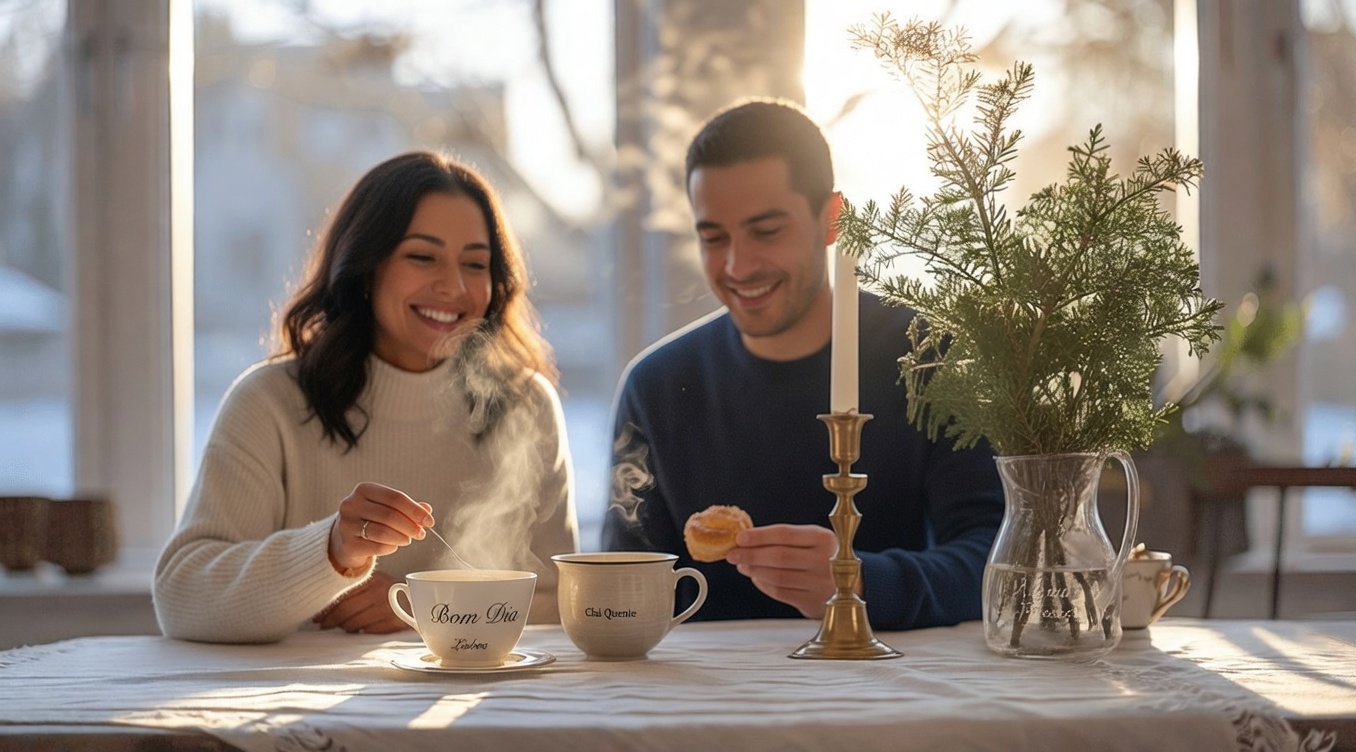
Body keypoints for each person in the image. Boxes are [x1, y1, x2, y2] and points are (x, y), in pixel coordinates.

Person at [603, 99, 1005, 631]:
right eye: (713, 238)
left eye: (767, 231)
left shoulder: (931, 357)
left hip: (892, 674)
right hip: (703, 682)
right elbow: (621, 586)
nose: (737, 266)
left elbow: (996, 560)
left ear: (832, 219)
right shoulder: (655, 388)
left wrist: (860, 581)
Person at [155, 150, 578, 643]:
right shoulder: (269, 403)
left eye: (475, 264)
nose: (454, 286)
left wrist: (426, 607)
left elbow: (561, 602)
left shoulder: (526, 405)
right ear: (365, 266)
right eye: (423, 257)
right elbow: (182, 597)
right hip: (294, 691)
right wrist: (333, 552)